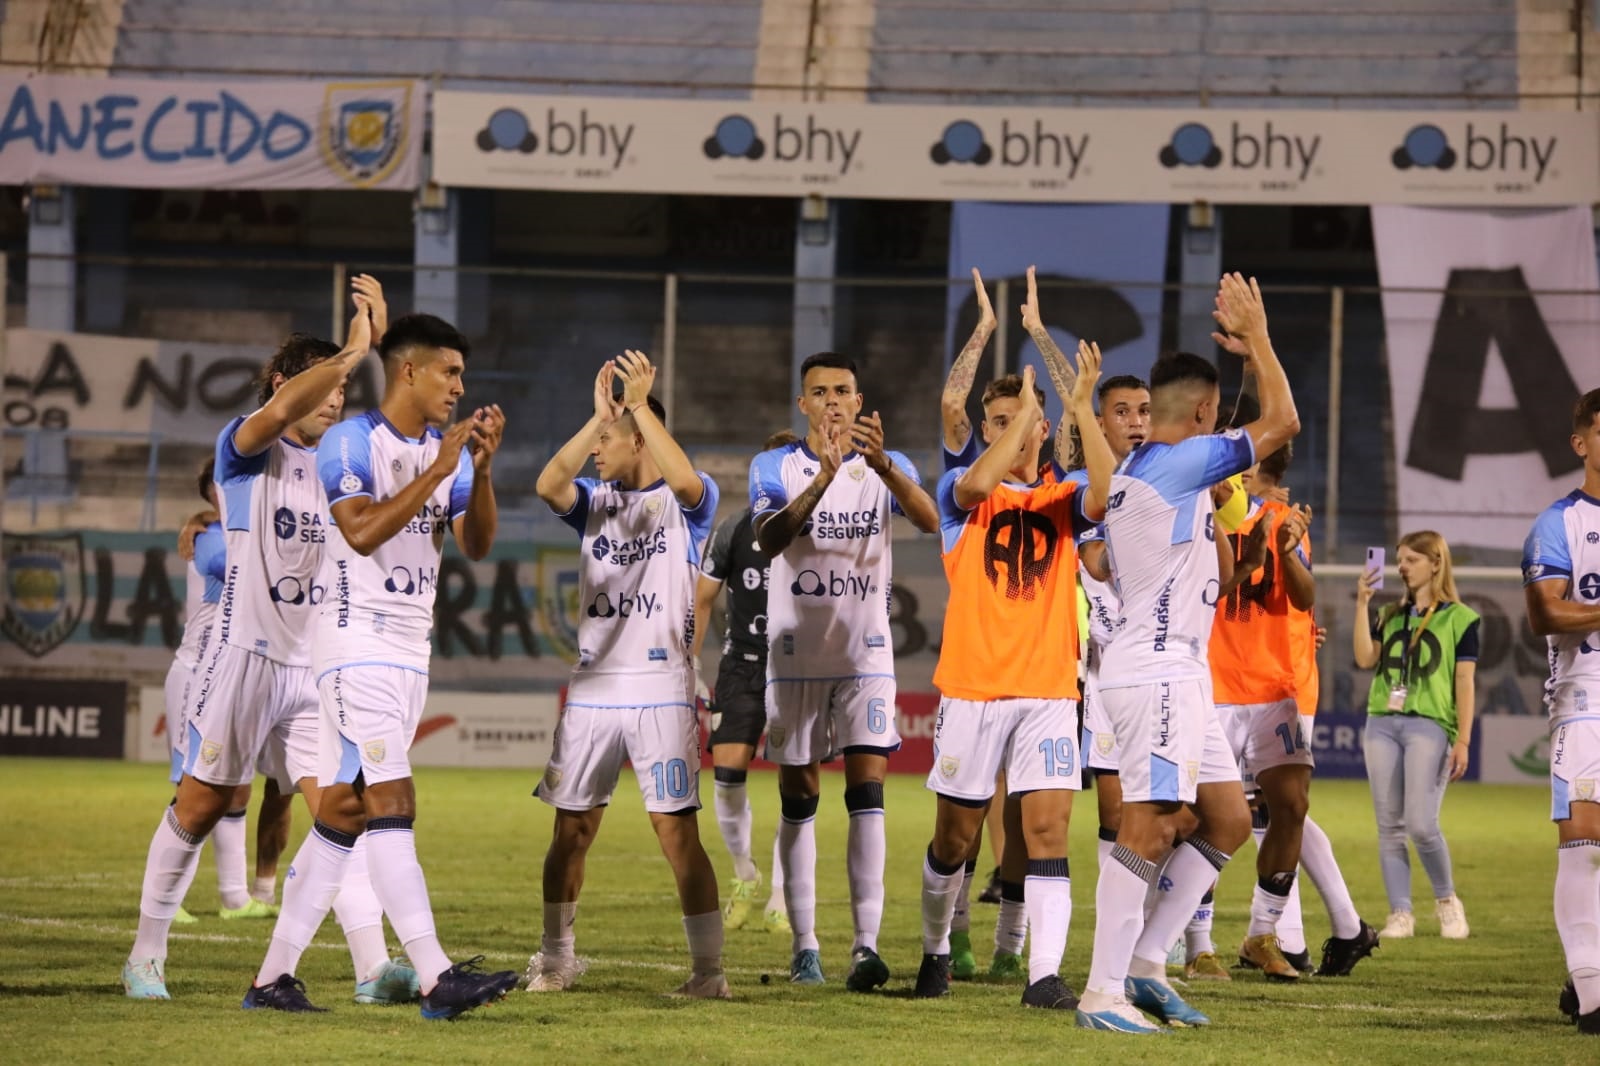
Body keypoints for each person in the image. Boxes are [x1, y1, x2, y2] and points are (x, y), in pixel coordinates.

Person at [124, 280, 404, 1004]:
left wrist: (386, 358)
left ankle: (373, 969)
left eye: (343, 390)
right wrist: (353, 350)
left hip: (313, 671)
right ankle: (145, 956)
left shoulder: (339, 469)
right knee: (200, 806)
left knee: (341, 811)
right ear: (287, 384)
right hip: (243, 659)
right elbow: (279, 412)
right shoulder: (245, 452)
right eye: (327, 387)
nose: (336, 400)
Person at [245, 308, 519, 1018]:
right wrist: (440, 470)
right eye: (449, 372)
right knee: (393, 802)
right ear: (409, 370)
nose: (459, 387)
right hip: (355, 646)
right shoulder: (350, 440)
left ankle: (271, 978)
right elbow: (361, 530)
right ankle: (436, 976)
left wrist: (479, 470)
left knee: (341, 816)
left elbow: (478, 544)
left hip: (406, 652)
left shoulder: (443, 449)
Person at [1076, 273, 1298, 1034]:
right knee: (1152, 823)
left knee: (1229, 819)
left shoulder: (1154, 474)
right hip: (1159, 671)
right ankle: (1101, 993)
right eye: (1214, 416)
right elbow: (1282, 420)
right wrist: (1260, 339)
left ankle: (1146, 965)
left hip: (1181, 671)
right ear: (1204, 416)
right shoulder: (1180, 465)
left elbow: (1223, 571)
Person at [915, 341, 1112, 1009]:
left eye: (1018, 419)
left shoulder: (1065, 495)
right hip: (973, 691)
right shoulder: (959, 494)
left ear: (1046, 429)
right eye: (994, 422)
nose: (1006, 431)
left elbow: (1107, 495)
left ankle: (1043, 975)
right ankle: (937, 949)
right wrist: (1024, 413)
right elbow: (976, 483)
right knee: (955, 838)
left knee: (1049, 833)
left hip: (1050, 691)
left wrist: (1079, 405)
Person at [526, 352, 729, 999]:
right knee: (571, 832)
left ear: (640, 437)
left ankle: (708, 974)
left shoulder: (686, 502)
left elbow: (689, 480)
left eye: (607, 441)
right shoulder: (592, 503)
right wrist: (598, 418)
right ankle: (556, 960)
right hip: (592, 690)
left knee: (676, 833)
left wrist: (638, 407)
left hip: (661, 689)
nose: (595, 452)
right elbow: (547, 483)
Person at [751, 350, 940, 989]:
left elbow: (932, 520)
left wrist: (880, 464)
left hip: (867, 653)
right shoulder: (774, 466)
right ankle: (805, 944)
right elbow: (770, 539)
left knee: (868, 792)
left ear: (860, 402)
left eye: (844, 391)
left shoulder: (889, 466)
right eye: (820, 392)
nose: (833, 401)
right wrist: (821, 481)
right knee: (799, 796)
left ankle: (865, 946)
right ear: (801, 404)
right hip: (797, 652)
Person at [1230, 448, 1378, 979]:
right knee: (1274, 813)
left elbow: (1299, 597)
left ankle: (1286, 939)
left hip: (1278, 685)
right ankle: (1341, 927)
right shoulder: (1241, 511)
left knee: (1273, 813)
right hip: (1270, 679)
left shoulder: (1277, 520)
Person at [166, 462, 293, 923]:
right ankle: (171, 899)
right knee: (191, 786)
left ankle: (235, 897)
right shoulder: (209, 538)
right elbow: (234, 564)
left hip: (234, 672)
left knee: (236, 789)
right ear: (212, 494)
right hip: (195, 671)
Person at [692, 430, 799, 937]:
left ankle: (781, 895)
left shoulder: (811, 526)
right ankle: (745, 874)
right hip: (742, 666)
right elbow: (703, 598)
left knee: (794, 784)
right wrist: (690, 662)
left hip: (796, 668)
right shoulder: (734, 528)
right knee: (728, 774)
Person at [1353, 530, 1476, 944]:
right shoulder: (1389, 615)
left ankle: (1447, 901)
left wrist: (1463, 739)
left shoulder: (1462, 619)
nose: (1402, 567)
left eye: (1411, 560)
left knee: (1422, 824)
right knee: (1389, 826)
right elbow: (1364, 658)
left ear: (1436, 563)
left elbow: (1465, 681)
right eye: (1400, 560)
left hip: (1430, 723)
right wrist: (1362, 603)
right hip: (1381, 722)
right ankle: (1400, 913)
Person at [1524, 387, 1600, 1037]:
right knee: (1585, 844)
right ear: (1582, 443)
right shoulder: (1560, 522)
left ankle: (1585, 980)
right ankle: (1595, 997)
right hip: (1587, 697)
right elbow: (1545, 612)